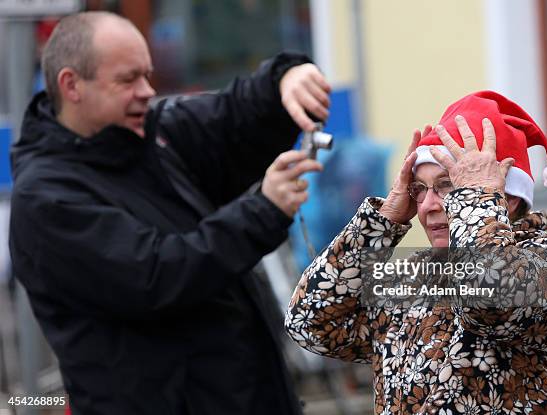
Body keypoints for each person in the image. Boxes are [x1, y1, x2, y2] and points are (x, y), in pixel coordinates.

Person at [9, 11, 332, 415]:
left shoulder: (154, 134)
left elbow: (234, 121)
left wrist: (285, 79)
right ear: (71, 85)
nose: (147, 91)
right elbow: (158, 275)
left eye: (147, 74)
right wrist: (262, 212)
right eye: (128, 80)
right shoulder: (48, 200)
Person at [285, 91, 547, 414]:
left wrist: (475, 196)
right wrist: (383, 220)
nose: (428, 205)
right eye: (419, 189)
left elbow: (489, 301)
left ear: (508, 197)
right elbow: (310, 323)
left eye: (448, 185)